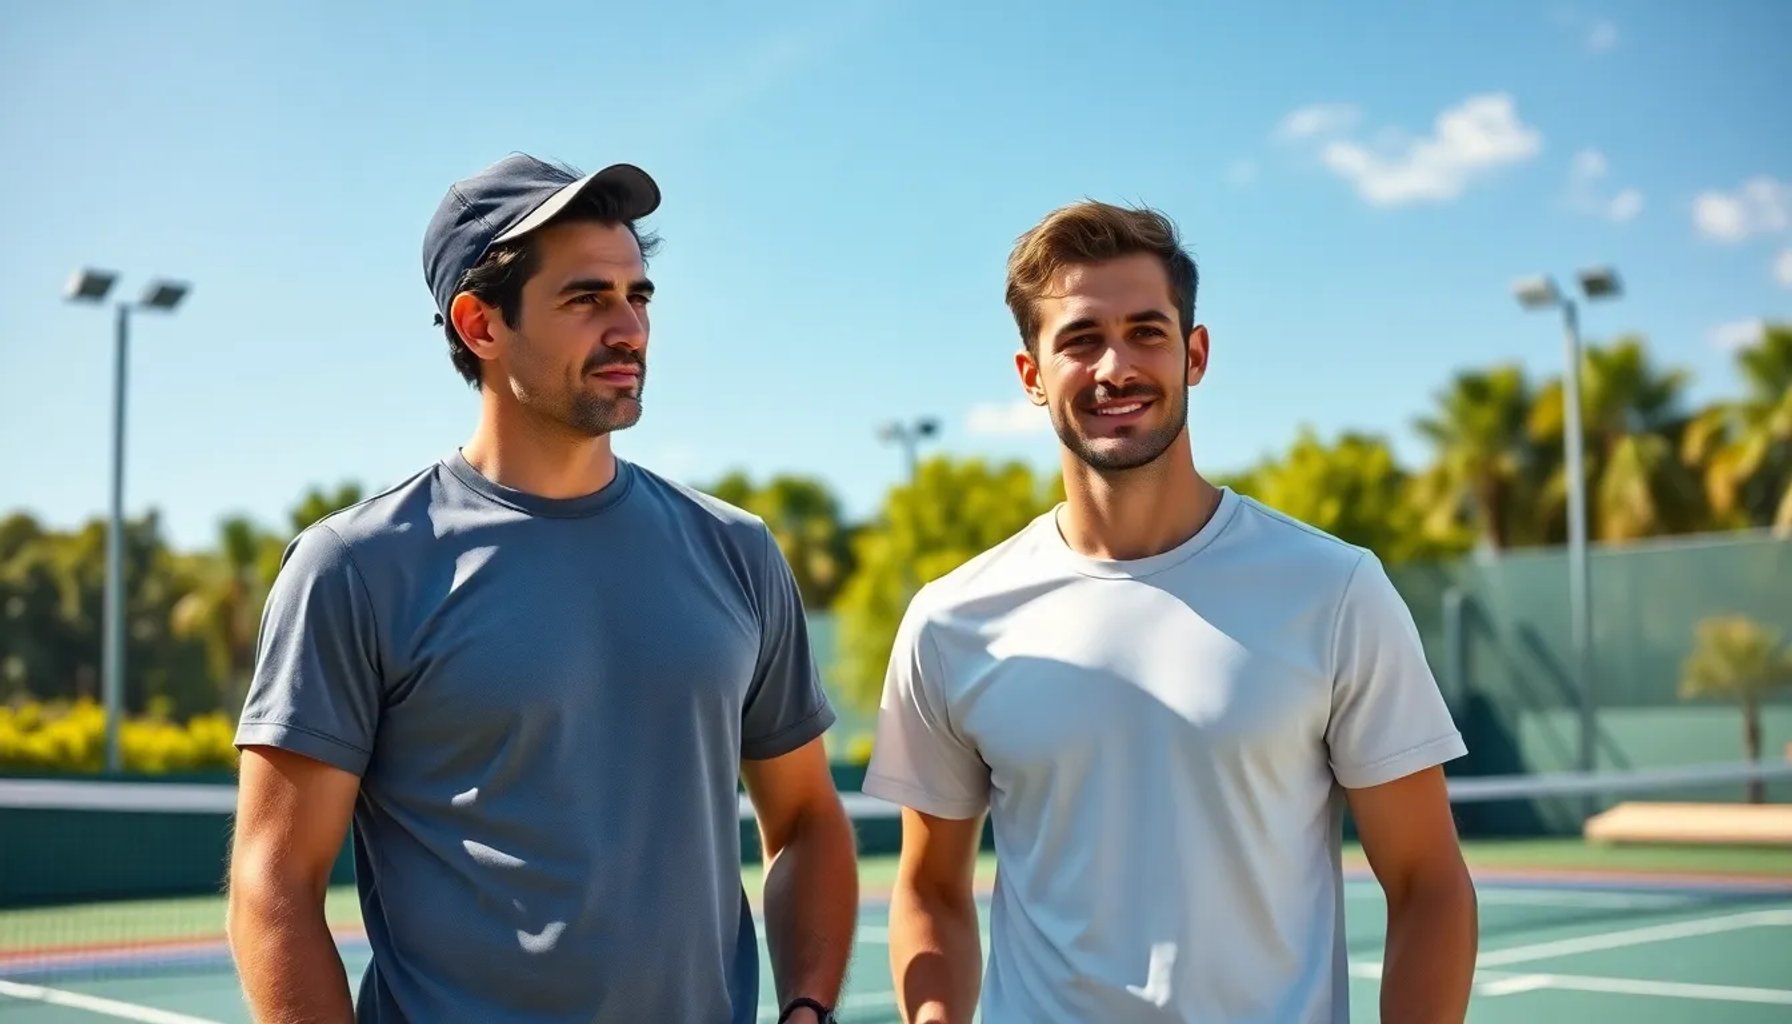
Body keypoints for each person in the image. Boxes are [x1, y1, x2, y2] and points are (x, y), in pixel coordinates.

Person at [225, 153, 858, 1024]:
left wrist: (808, 1008)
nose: (630, 328)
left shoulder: (736, 550)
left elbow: (808, 820)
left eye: (638, 296)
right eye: (586, 298)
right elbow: (274, 883)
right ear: (481, 325)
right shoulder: (355, 567)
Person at [862, 200, 1478, 1023]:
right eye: (1080, 340)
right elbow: (931, 888)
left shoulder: (1332, 590)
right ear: (1031, 376)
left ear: (1195, 354)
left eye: (1147, 331)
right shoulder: (950, 621)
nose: (1116, 365)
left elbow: (1427, 883)